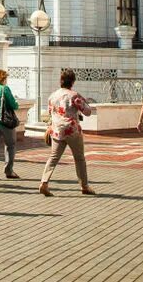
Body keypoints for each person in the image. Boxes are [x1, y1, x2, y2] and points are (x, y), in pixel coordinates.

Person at [38, 68, 95, 197]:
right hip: (72, 130)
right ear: (72, 82)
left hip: (57, 130)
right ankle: (84, 186)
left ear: (61, 81)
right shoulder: (74, 95)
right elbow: (88, 112)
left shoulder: (53, 95)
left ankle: (44, 182)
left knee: (53, 157)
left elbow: (50, 113)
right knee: (79, 158)